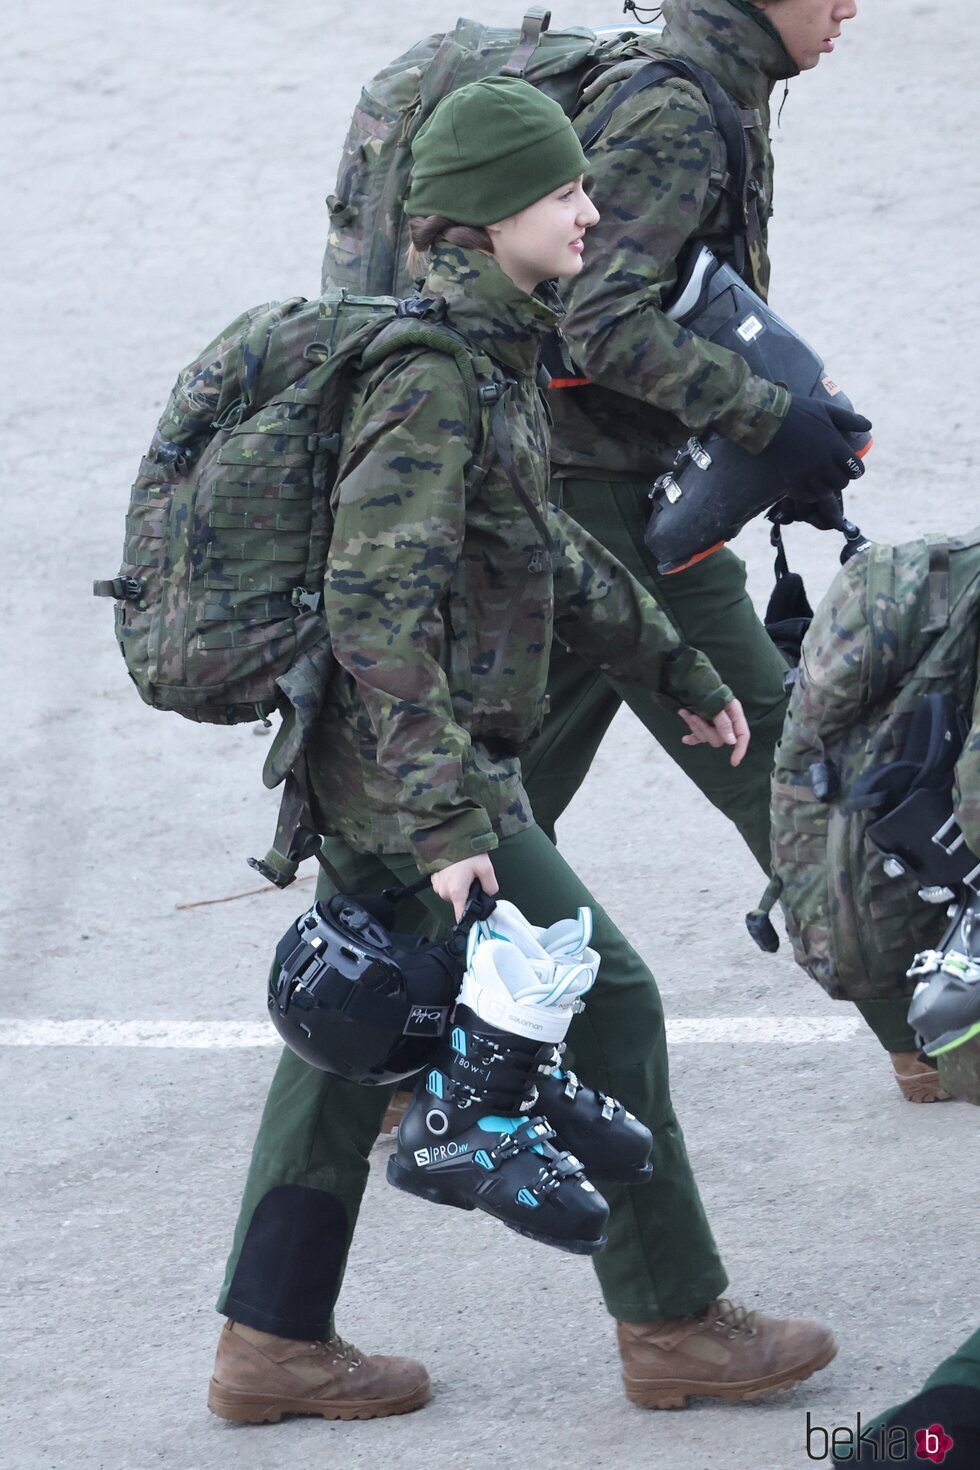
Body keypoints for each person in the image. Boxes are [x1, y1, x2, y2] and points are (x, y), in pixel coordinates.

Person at [207, 76, 835, 1424]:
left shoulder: (483, 348)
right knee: (603, 994)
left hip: (403, 772)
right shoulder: (434, 375)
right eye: (564, 193)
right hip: (409, 776)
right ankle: (672, 1318)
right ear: (494, 215)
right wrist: (445, 827)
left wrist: (672, 663)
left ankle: (269, 1339)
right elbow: (381, 616)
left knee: (359, 1024)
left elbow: (540, 541)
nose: (593, 209)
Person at [526, 0, 942, 1102]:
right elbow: (597, 323)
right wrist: (760, 415)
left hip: (572, 484)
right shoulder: (678, 110)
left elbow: (683, 297)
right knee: (777, 759)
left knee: (502, 786)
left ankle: (368, 1032)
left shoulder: (709, 84)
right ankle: (936, 1034)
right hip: (607, 498)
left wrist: (789, 412)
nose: (852, 3)